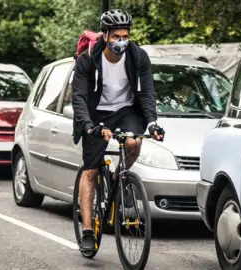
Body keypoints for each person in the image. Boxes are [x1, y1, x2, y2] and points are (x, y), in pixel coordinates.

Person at [71, 9, 165, 252]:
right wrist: (89, 126)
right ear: (105, 36)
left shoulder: (138, 57)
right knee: (90, 172)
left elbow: (146, 93)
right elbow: (79, 96)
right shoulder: (88, 60)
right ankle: (89, 231)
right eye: (116, 37)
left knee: (134, 143)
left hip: (125, 109)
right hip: (95, 112)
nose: (121, 41)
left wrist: (152, 121)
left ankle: (119, 178)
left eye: (125, 36)